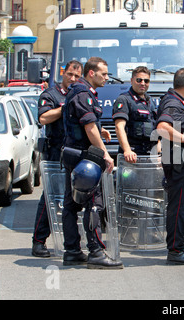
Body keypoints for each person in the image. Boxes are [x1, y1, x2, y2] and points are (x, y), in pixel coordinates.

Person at [61, 57, 122, 269]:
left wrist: (100, 128)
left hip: (75, 156)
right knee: (94, 205)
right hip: (84, 158)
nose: (107, 78)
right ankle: (95, 251)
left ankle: (72, 251)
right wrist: (105, 153)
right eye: (104, 74)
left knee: (70, 205)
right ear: (91, 73)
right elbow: (88, 127)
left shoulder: (79, 91)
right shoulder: (83, 93)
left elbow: (88, 124)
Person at [31, 60, 83, 258]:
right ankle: (38, 241)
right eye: (70, 74)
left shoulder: (80, 94)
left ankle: (73, 242)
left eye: (77, 76)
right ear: (63, 73)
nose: (72, 79)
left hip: (75, 152)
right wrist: (65, 107)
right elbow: (43, 118)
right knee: (51, 197)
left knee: (73, 198)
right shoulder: (51, 95)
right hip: (56, 152)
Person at [155, 68, 184, 265]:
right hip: (178, 164)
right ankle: (175, 250)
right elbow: (162, 128)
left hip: (183, 164)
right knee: (179, 208)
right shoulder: (173, 104)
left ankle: (181, 246)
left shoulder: (178, 102)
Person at [112, 66, 157, 162]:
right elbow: (119, 127)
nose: (143, 83)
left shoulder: (150, 101)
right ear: (132, 80)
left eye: (146, 81)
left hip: (149, 154)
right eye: (139, 80)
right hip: (132, 155)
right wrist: (127, 150)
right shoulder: (124, 99)